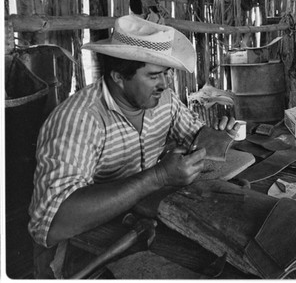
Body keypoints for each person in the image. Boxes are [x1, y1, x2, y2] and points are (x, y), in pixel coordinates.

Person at [28, 14, 238, 277]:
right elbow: (51, 225)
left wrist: (221, 135)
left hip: (135, 226)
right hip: (77, 250)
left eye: (166, 73)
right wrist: (159, 176)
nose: (165, 84)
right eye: (153, 76)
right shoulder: (79, 120)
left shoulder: (164, 101)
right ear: (118, 76)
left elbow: (198, 137)